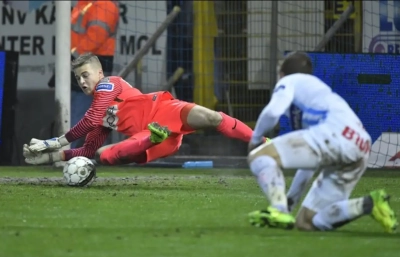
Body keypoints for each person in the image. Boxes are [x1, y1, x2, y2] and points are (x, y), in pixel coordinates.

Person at [246, 51, 398, 233]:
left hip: (333, 134)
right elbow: (309, 165)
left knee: (259, 157)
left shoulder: (290, 80)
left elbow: (272, 112)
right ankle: (368, 204)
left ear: (282, 73)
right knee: (307, 222)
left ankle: (276, 210)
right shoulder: (317, 94)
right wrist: (290, 204)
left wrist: (255, 141)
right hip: (361, 146)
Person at [23, 53, 262, 166]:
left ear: (99, 74)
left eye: (85, 75)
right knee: (103, 155)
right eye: (78, 78)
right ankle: (153, 137)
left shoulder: (109, 84)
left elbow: (91, 118)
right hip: (150, 138)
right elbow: (88, 148)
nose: (82, 82)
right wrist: (52, 156)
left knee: (212, 117)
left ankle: (261, 142)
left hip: (165, 111)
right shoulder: (103, 114)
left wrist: (53, 142)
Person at [48, 0, 120, 148]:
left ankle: (66, 153)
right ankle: (80, 154)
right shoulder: (84, 4)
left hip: (89, 67)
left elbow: (95, 37)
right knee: (81, 115)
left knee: (80, 115)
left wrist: (72, 58)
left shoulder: (104, 5)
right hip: (82, 66)